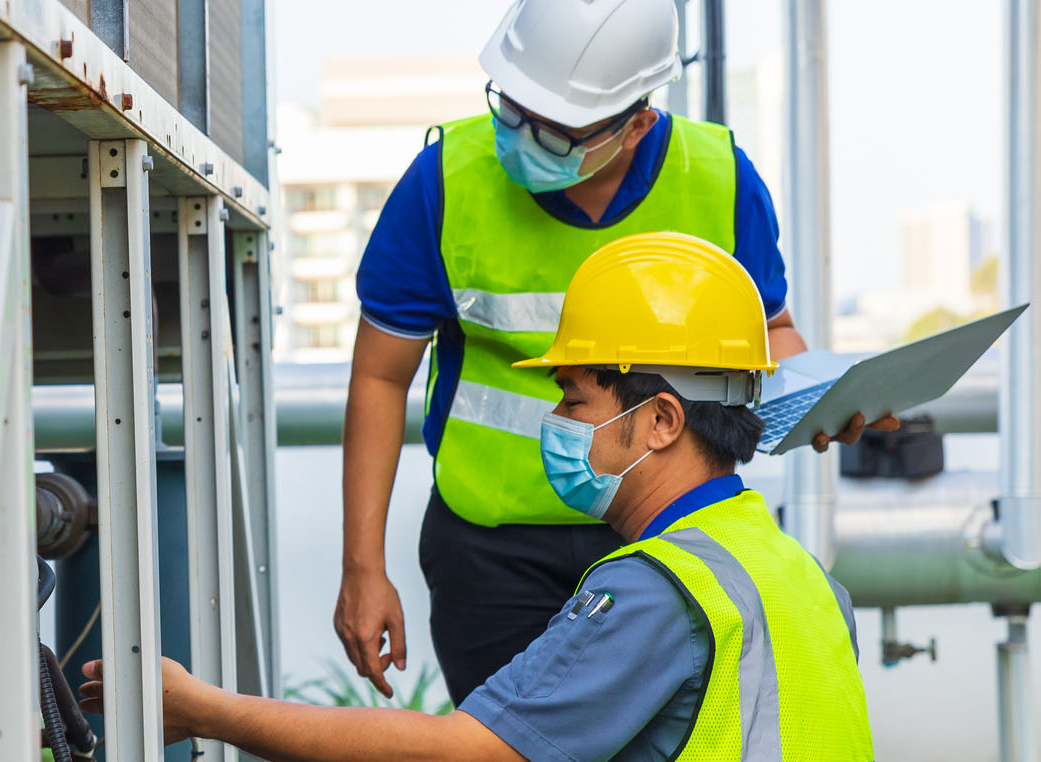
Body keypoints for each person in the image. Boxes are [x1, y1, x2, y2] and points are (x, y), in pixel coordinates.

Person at [81, 232, 875, 761]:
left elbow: (461, 753)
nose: (556, 425)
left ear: (662, 420)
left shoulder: (660, 590)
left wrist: (203, 710)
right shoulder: (792, 571)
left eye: (575, 400)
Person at [336, 0, 896, 703]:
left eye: (557, 131)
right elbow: (380, 378)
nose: (525, 137)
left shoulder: (720, 178)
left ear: (637, 123)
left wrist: (816, 398)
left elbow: (771, 334)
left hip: (670, 536)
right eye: (511, 109)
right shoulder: (444, 181)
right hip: (491, 553)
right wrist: (363, 566)